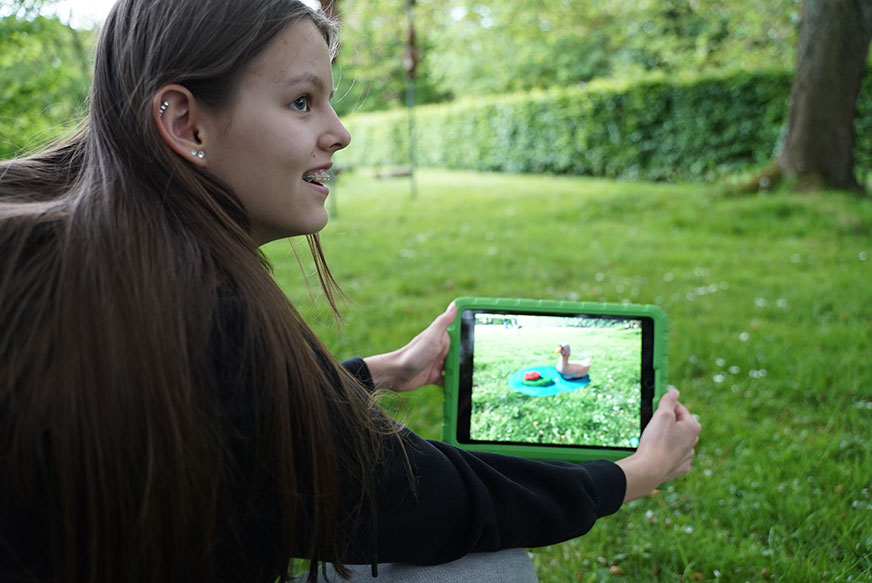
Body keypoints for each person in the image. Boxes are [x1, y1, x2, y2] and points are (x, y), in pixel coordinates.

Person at [0, 1, 702, 582]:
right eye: (303, 101)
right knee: (485, 569)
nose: (339, 133)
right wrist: (630, 474)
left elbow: (232, 419)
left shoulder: (82, 258)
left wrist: (377, 372)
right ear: (186, 123)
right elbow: (425, 498)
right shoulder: (199, 306)